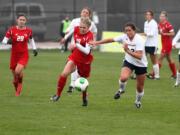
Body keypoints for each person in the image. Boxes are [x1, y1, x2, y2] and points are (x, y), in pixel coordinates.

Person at [89, 23, 147, 108]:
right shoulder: (124, 37)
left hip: (141, 64)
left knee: (140, 87)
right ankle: (121, 89)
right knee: (123, 78)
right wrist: (97, 42)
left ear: (134, 30)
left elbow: (139, 56)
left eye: (129, 30)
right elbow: (111, 40)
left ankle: (137, 101)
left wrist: (127, 50)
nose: (128, 32)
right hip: (129, 62)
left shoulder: (139, 40)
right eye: (126, 30)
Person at [51, 17, 94, 106]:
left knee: (83, 81)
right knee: (63, 74)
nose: (81, 29)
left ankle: (84, 97)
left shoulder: (90, 36)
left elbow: (87, 51)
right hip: (75, 56)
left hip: (85, 61)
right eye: (80, 27)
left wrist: (76, 45)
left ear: (88, 27)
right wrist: (65, 39)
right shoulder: (76, 29)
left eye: (84, 28)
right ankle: (57, 95)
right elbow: (71, 34)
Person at [61, 7, 97, 93]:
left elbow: (95, 31)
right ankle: (72, 84)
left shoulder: (91, 24)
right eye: (83, 12)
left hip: (85, 48)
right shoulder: (75, 21)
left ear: (89, 15)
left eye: (86, 13)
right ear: (80, 13)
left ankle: (77, 84)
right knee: (74, 64)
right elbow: (70, 30)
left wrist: (94, 41)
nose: (84, 13)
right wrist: (65, 37)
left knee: (79, 68)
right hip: (75, 46)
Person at [1, 13, 38, 96]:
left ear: (25, 21)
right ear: (17, 20)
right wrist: (8, 42)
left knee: (18, 71)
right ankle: (17, 90)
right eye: (20, 19)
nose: (22, 21)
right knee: (15, 78)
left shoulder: (28, 31)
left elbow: (31, 40)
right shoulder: (11, 30)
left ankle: (19, 87)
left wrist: (34, 49)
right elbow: (4, 40)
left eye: (23, 20)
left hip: (24, 55)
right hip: (14, 55)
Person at [148, 11, 176, 79]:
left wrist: (165, 34)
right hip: (163, 43)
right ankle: (175, 75)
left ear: (166, 17)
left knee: (160, 58)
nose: (161, 17)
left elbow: (173, 33)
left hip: (167, 44)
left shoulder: (168, 25)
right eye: (160, 16)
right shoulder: (159, 24)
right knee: (169, 59)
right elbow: (156, 31)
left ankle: (153, 74)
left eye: (163, 16)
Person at [143, 10, 160, 80]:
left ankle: (157, 76)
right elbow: (145, 33)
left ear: (152, 16)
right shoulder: (145, 23)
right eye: (146, 14)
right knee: (142, 59)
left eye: (149, 15)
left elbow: (151, 34)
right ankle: (140, 74)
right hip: (146, 44)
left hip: (153, 44)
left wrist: (144, 34)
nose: (147, 16)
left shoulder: (154, 23)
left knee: (154, 60)